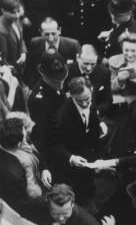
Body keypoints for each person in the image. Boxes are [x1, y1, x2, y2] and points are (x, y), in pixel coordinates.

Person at [48, 77, 104, 206]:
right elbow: (53, 144)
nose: (85, 104)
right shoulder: (60, 116)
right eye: (80, 101)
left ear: (92, 91)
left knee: (88, 188)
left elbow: (93, 122)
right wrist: (71, 157)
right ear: (71, 95)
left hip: (89, 156)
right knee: (76, 193)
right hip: (71, 163)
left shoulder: (91, 101)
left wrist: (98, 156)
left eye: (87, 99)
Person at [0, 115, 49, 215]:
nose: (27, 134)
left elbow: (36, 152)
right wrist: (46, 199)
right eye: (25, 133)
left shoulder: (13, 140)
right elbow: (32, 193)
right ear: (18, 143)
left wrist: (44, 168)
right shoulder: (15, 169)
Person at [28, 51, 68, 169]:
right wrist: (44, 167)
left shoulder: (61, 81)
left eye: (62, 79)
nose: (60, 84)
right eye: (55, 80)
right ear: (42, 73)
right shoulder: (37, 101)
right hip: (54, 150)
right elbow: (40, 137)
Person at [24, 17, 80, 88]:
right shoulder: (34, 43)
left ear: (59, 30)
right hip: (41, 87)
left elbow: (77, 71)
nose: (51, 38)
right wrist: (32, 87)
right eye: (46, 34)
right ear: (40, 32)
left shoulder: (73, 45)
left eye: (53, 34)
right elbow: (29, 68)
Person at [67, 44, 112, 118]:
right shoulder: (67, 72)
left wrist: (96, 112)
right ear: (77, 58)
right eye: (86, 63)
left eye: (93, 64)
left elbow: (108, 100)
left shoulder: (104, 73)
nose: (89, 68)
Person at [0, 0, 26, 70]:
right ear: (3, 11)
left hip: (19, 65)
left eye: (18, 11)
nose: (17, 15)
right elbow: (3, 56)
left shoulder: (15, 20)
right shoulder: (1, 31)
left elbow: (21, 39)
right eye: (13, 13)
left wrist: (23, 52)